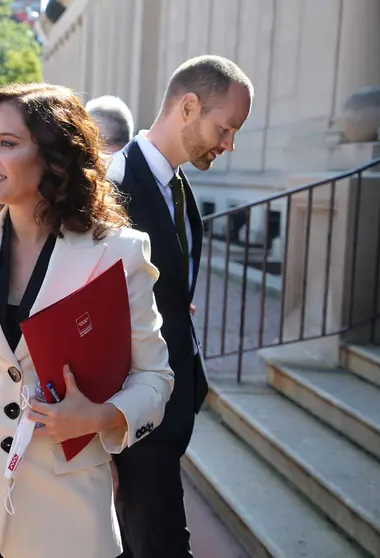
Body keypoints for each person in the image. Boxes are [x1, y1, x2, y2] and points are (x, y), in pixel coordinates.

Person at [0, 83, 175, 558]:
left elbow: (156, 378)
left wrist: (102, 416)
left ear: (56, 156)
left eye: (6, 143)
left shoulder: (120, 251)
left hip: (62, 520)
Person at [106, 55, 253, 558]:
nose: (229, 143)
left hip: (169, 403)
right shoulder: (113, 185)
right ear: (188, 106)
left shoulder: (180, 187)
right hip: (131, 410)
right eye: (225, 128)